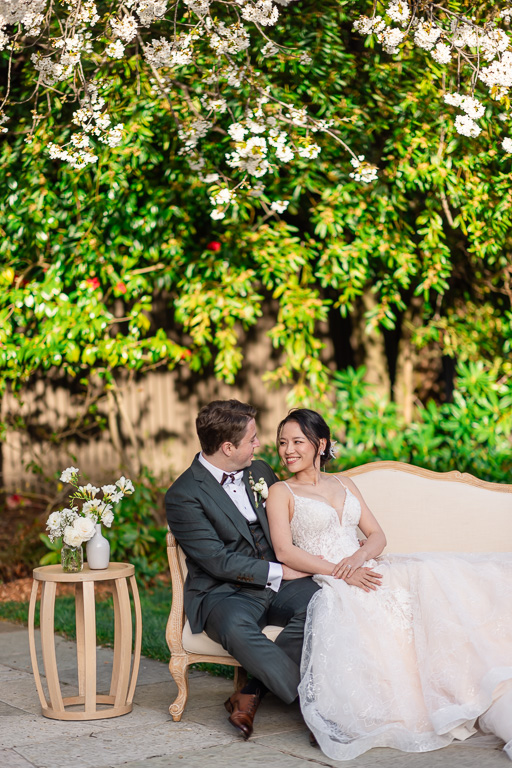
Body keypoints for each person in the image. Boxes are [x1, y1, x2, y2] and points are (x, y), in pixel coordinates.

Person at [266, 408, 512, 761]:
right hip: (334, 578)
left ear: (320, 444)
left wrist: (359, 558)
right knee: (373, 605)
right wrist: (341, 570)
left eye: (297, 442)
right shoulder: (281, 491)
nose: (288, 450)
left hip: (369, 566)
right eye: (282, 443)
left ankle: (471, 679)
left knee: (434, 574)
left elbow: (378, 535)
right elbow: (285, 550)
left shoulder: (345, 484)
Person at [166, 400, 374, 740]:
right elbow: (217, 560)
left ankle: (249, 693)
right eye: (252, 439)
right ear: (228, 447)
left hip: (281, 580)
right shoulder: (184, 494)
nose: (259, 445)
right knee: (235, 627)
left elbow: (287, 522)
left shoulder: (259, 471)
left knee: (322, 604)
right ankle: (317, 706)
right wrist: (280, 572)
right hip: (224, 591)